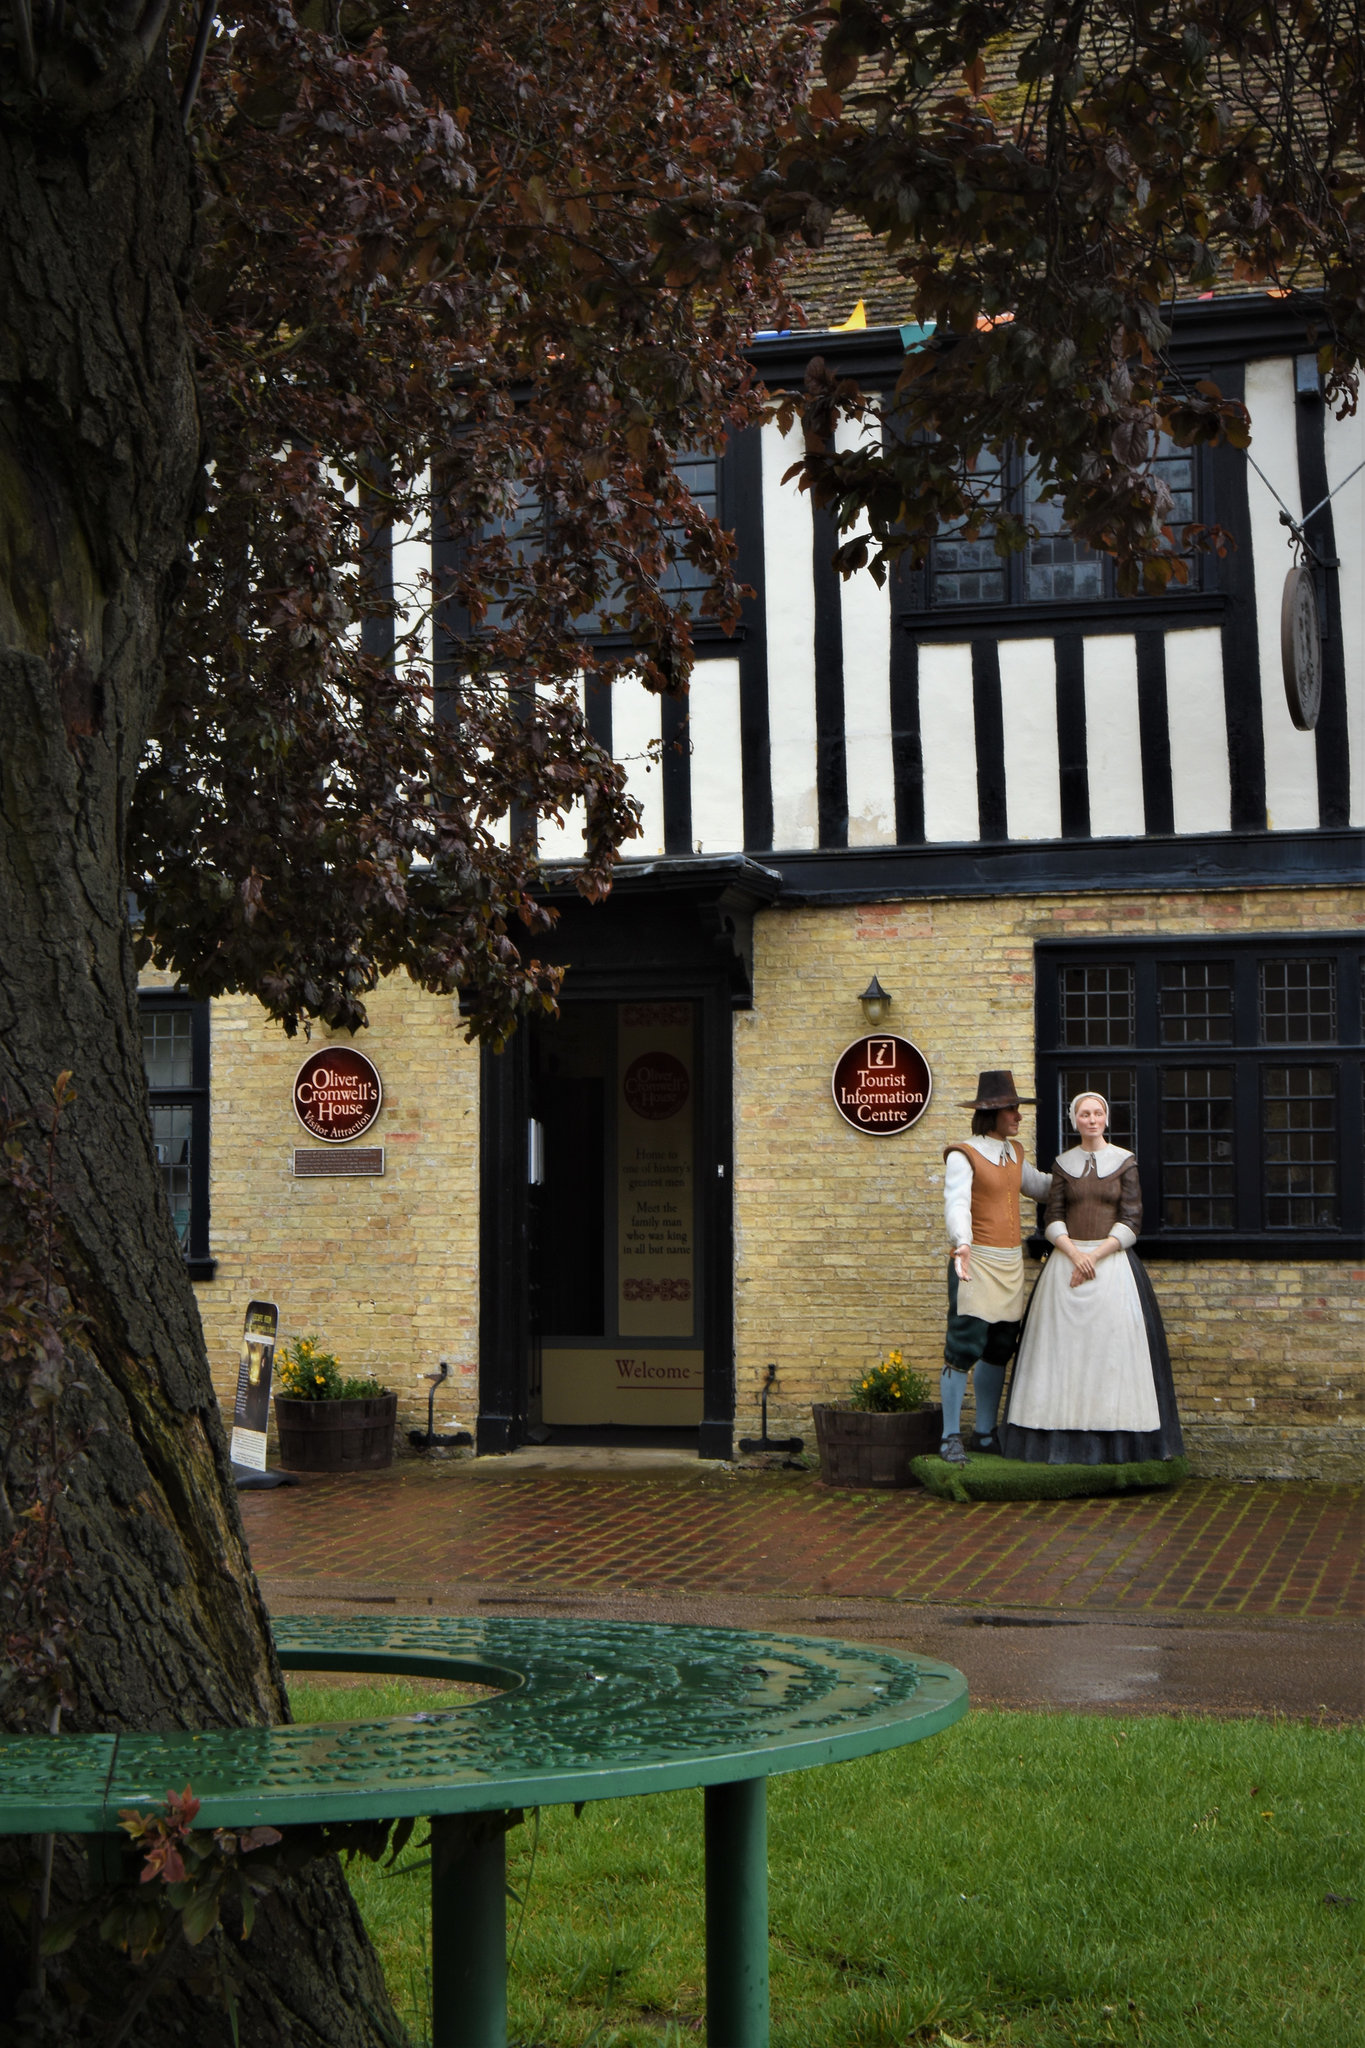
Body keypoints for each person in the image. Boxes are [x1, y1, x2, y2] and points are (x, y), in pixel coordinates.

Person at [1000, 1092, 1184, 1466]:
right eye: (1085, 1114)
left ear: (1107, 1118)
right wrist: (1074, 1254)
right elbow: (1052, 1215)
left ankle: (1118, 1444)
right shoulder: (1063, 1165)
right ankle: (1054, 1440)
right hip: (1066, 1266)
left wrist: (1095, 1256)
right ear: (1075, 1121)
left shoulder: (1124, 1162)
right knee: (1061, 1355)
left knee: (1113, 1353)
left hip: (1113, 1269)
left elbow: (1132, 1218)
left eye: (1098, 1113)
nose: (1092, 1119)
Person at [941, 1070, 1052, 1466]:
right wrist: (963, 1243)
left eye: (1017, 1109)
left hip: (1008, 1264)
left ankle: (985, 1432)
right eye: (1011, 1109)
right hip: (977, 1260)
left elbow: (1038, 1186)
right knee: (964, 1344)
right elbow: (956, 1201)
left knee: (1000, 1346)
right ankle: (949, 1435)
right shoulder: (963, 1153)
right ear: (992, 1113)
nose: (1018, 1116)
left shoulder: (1014, 1152)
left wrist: (1084, 1177)